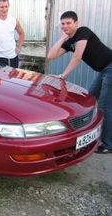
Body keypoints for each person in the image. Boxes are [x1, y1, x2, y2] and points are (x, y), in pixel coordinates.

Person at [47, 11, 112, 154]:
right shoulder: (70, 41)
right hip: (104, 71)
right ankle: (87, 136)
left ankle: (108, 144)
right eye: (63, 24)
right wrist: (63, 37)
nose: (65, 26)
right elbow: (50, 56)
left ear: (76, 23)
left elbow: (77, 57)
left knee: (105, 107)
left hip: (110, 68)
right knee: (88, 100)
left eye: (68, 23)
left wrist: (62, 76)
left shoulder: (83, 32)